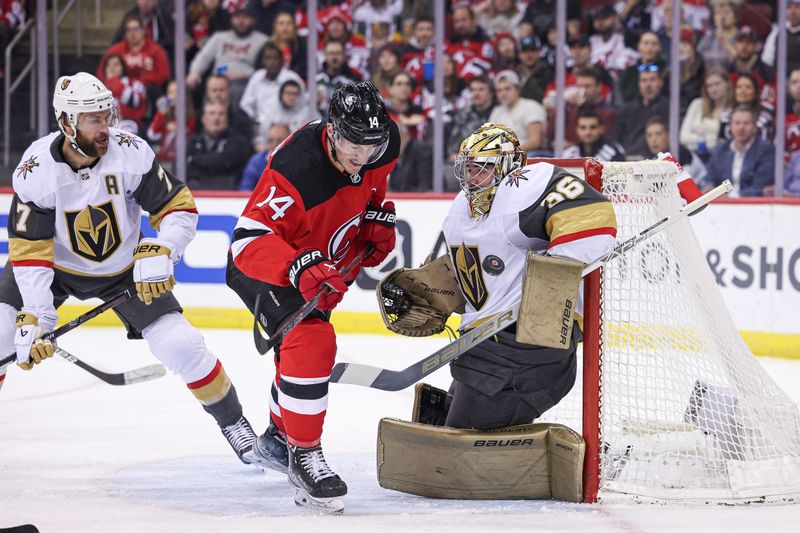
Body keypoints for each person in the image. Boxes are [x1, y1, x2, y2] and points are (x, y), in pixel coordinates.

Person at [0, 72, 274, 471]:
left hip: (124, 270)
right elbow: (30, 250)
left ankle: (236, 426)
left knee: (182, 346)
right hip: (53, 268)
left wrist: (164, 248)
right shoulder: (35, 170)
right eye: (93, 120)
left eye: (106, 116)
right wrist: (38, 316)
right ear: (66, 124)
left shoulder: (130, 151)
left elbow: (178, 207)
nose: (105, 128)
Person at [225, 81, 400, 512]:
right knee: (311, 341)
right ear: (334, 130)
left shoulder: (383, 141)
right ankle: (304, 453)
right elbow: (246, 241)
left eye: (371, 147)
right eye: (354, 145)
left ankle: (279, 438)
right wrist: (298, 264)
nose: (362, 157)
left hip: (316, 258)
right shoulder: (297, 164)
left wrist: (375, 214)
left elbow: (372, 182)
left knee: (299, 351)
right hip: (268, 263)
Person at [440, 122, 616, 428]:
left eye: (483, 168)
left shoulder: (525, 184)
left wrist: (551, 274)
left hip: (531, 351)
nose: (472, 179)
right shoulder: (459, 209)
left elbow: (595, 218)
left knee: (461, 443)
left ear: (510, 166)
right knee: (445, 426)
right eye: (468, 169)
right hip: (484, 349)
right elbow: (474, 271)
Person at [185, 7, 268, 108]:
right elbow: (204, 57)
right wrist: (195, 72)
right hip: (219, 77)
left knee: (235, 90)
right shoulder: (219, 37)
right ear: (231, 19)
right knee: (209, 87)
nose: (241, 22)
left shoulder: (262, 40)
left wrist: (246, 73)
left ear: (253, 20)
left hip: (246, 80)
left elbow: (263, 67)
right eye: (237, 17)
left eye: (245, 18)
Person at [705, 105, 775, 197]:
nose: (741, 127)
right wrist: (709, 189)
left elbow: (760, 188)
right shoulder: (720, 150)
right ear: (730, 127)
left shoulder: (765, 149)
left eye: (746, 123)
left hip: (751, 206)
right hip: (721, 205)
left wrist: (729, 197)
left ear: (755, 127)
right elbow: (710, 179)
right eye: (737, 123)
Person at [187, 99, 252, 190]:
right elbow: (188, 170)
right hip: (197, 195)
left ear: (227, 118)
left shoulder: (239, 142)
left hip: (230, 197)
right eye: (212, 113)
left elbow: (226, 161)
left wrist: (194, 159)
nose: (216, 117)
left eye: (221, 114)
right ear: (203, 119)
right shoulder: (192, 142)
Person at [610, 64, 669, 157]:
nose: (648, 85)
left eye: (652, 80)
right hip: (626, 159)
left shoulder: (669, 108)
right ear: (639, 84)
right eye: (644, 80)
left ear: (660, 82)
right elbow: (615, 138)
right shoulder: (628, 109)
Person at [489, 70, 547, 154]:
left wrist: (509, 151)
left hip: (527, 156)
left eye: (507, 88)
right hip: (501, 157)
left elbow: (536, 141)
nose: (503, 93)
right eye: (499, 90)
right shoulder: (496, 111)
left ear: (517, 89)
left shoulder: (531, 106)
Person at [680, 67, 733, 159]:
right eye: (709, 86)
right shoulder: (697, 104)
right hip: (693, 157)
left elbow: (726, 142)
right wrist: (710, 139)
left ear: (727, 84)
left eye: (717, 84)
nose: (713, 89)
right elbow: (683, 137)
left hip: (722, 158)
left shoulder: (733, 111)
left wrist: (696, 139)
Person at [239, 122, 291, 191]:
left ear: (290, 142)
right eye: (270, 141)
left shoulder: (297, 163)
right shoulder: (256, 161)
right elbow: (245, 189)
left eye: (279, 141)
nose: (274, 145)